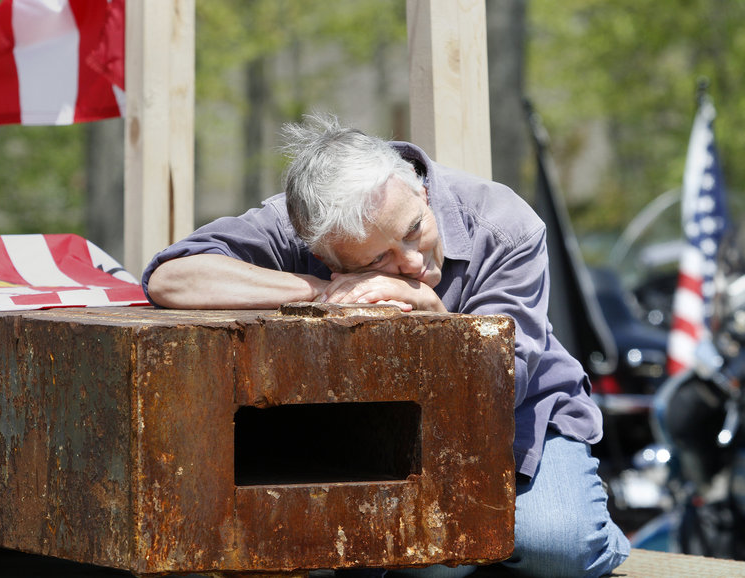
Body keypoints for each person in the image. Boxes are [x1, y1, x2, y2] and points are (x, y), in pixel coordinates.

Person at [142, 113, 630, 577]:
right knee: (428, 562)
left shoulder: (505, 222)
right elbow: (173, 279)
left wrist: (431, 313)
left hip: (522, 414)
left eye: (415, 230)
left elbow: (503, 382)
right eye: (378, 259)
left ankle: (593, 527)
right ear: (322, 252)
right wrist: (319, 293)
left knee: (560, 549)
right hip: (376, 431)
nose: (415, 263)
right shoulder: (305, 223)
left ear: (420, 189)